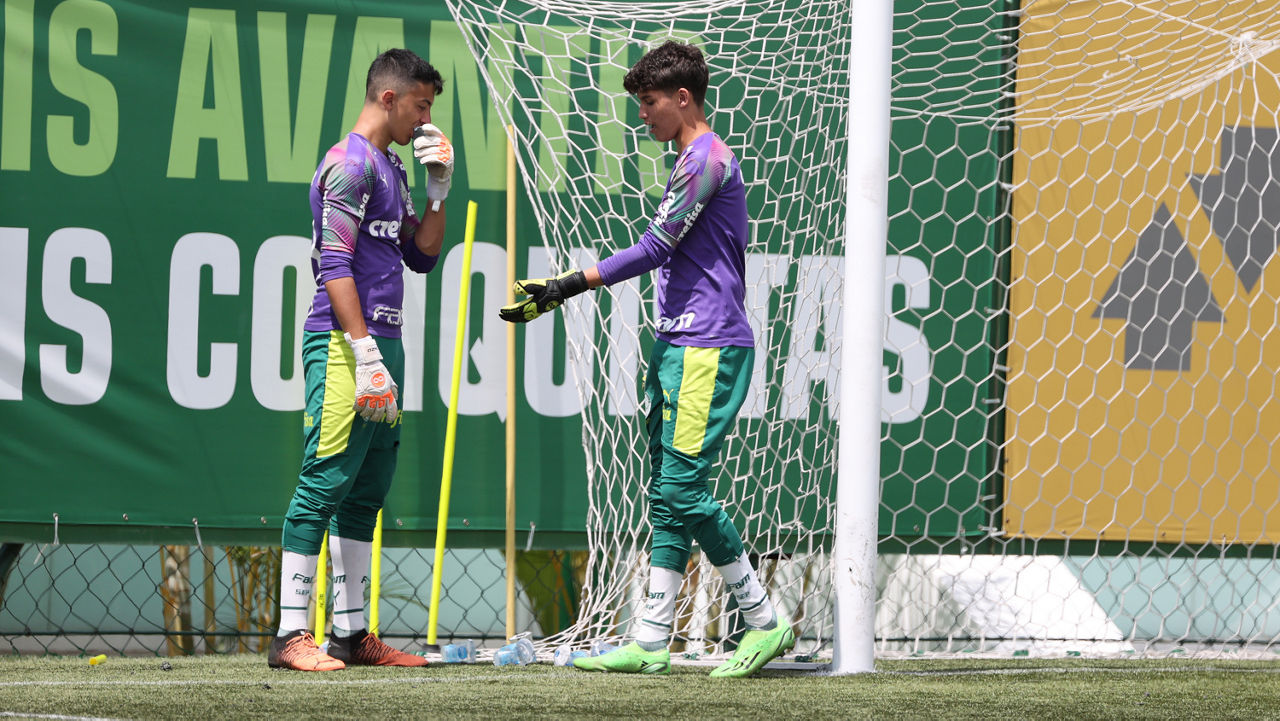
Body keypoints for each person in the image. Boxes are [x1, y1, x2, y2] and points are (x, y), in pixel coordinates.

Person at [499, 40, 792, 679]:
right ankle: (652, 639)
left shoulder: (706, 159)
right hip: (677, 346)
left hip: (708, 347)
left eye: (649, 102)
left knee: (682, 489)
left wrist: (565, 285)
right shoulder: (689, 158)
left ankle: (764, 618)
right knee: (666, 494)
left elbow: (657, 247)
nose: (642, 115)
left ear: (683, 98)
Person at [268, 48, 455, 672]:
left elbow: (421, 257)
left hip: (384, 342)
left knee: (367, 489)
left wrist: (439, 191)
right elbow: (333, 264)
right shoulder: (349, 165)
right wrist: (364, 351)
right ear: (388, 98)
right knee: (323, 481)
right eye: (421, 106)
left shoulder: (392, 166)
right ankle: (290, 635)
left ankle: (350, 636)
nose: (426, 120)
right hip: (345, 344)